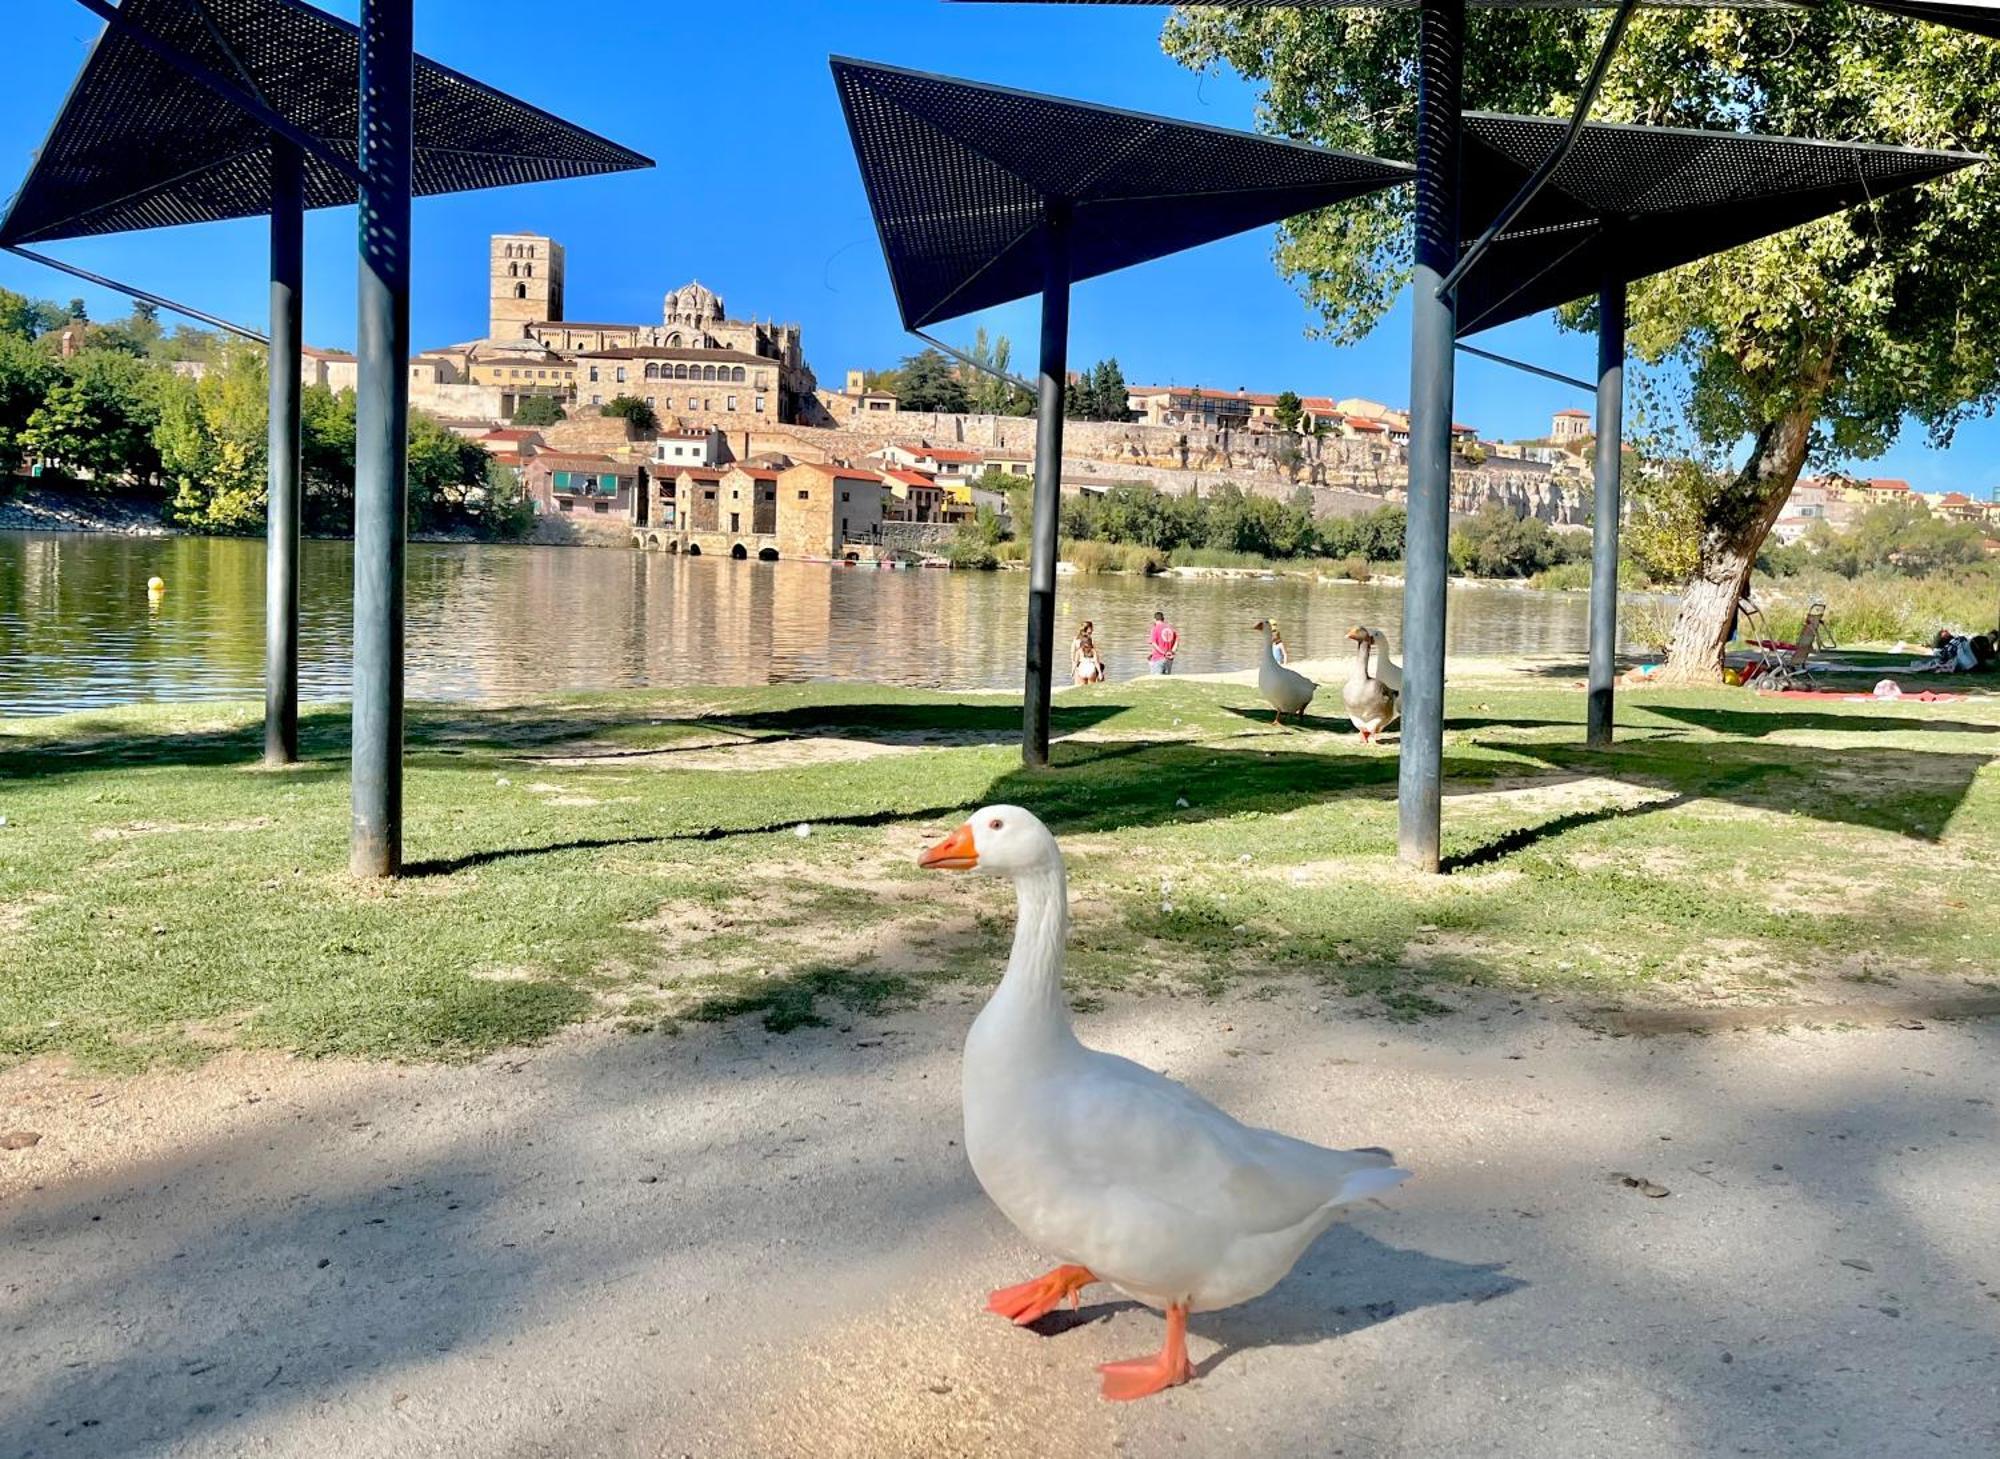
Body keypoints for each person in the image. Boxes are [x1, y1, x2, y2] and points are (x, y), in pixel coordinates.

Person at [1148, 610, 1179, 675]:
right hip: (1169, 659)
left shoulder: (1155, 629)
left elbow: (1154, 643)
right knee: (1166, 679)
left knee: (1156, 681)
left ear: (1154, 620)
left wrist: (1164, 653)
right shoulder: (1171, 628)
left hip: (1158, 658)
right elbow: (1176, 642)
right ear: (1163, 619)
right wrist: (1171, 652)